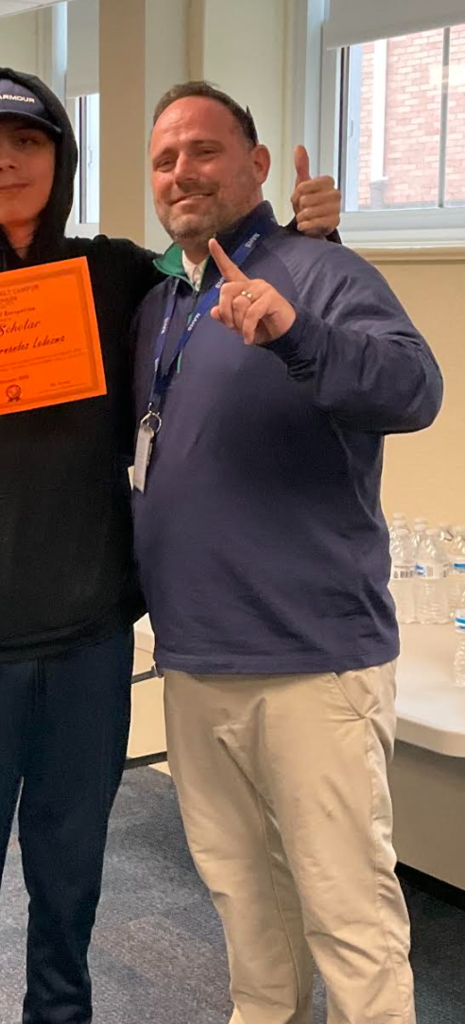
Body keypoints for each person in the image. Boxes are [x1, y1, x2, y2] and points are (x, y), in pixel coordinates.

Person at [0, 66, 341, 1024]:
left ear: (60, 156)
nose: (4, 162)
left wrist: (308, 242)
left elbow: (220, 288)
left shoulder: (120, 274)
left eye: (26, 142)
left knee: (69, 875)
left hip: (86, 634)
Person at [131, 80, 443, 1024]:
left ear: (258, 165)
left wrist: (296, 332)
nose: (181, 171)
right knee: (241, 898)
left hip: (313, 659)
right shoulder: (161, 305)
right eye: (163, 158)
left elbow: (413, 389)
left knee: (348, 912)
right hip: (193, 657)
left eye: (204, 150)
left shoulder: (319, 271)